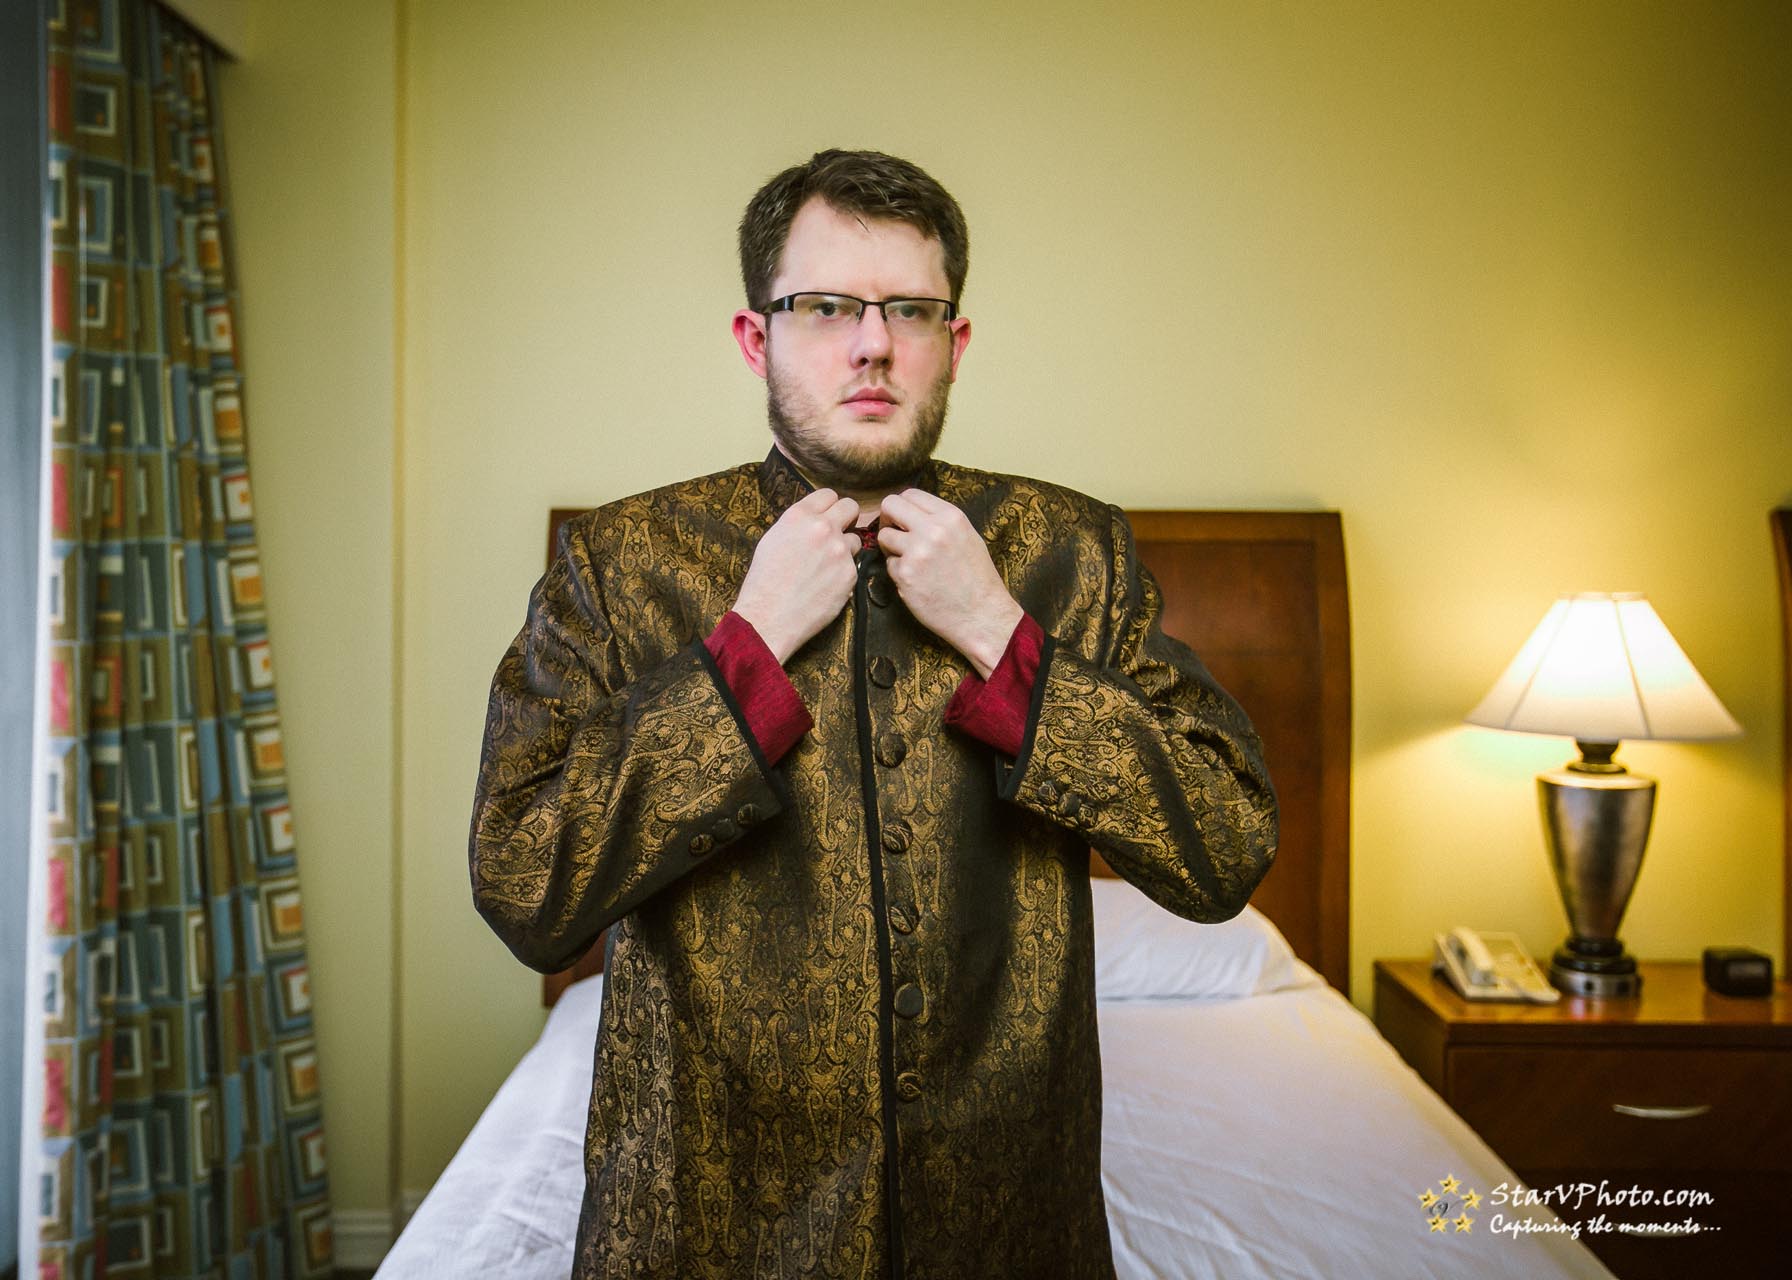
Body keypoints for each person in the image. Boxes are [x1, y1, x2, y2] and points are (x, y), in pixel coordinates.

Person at [469, 149, 1277, 1280]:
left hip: (1008, 1234)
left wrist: (1001, 636)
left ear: (955, 340)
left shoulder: (1073, 553)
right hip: (706, 1234)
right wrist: (744, 648)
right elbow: (525, 886)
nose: (871, 343)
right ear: (756, 337)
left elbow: (1226, 845)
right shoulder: (620, 563)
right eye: (825, 307)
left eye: (909, 308)